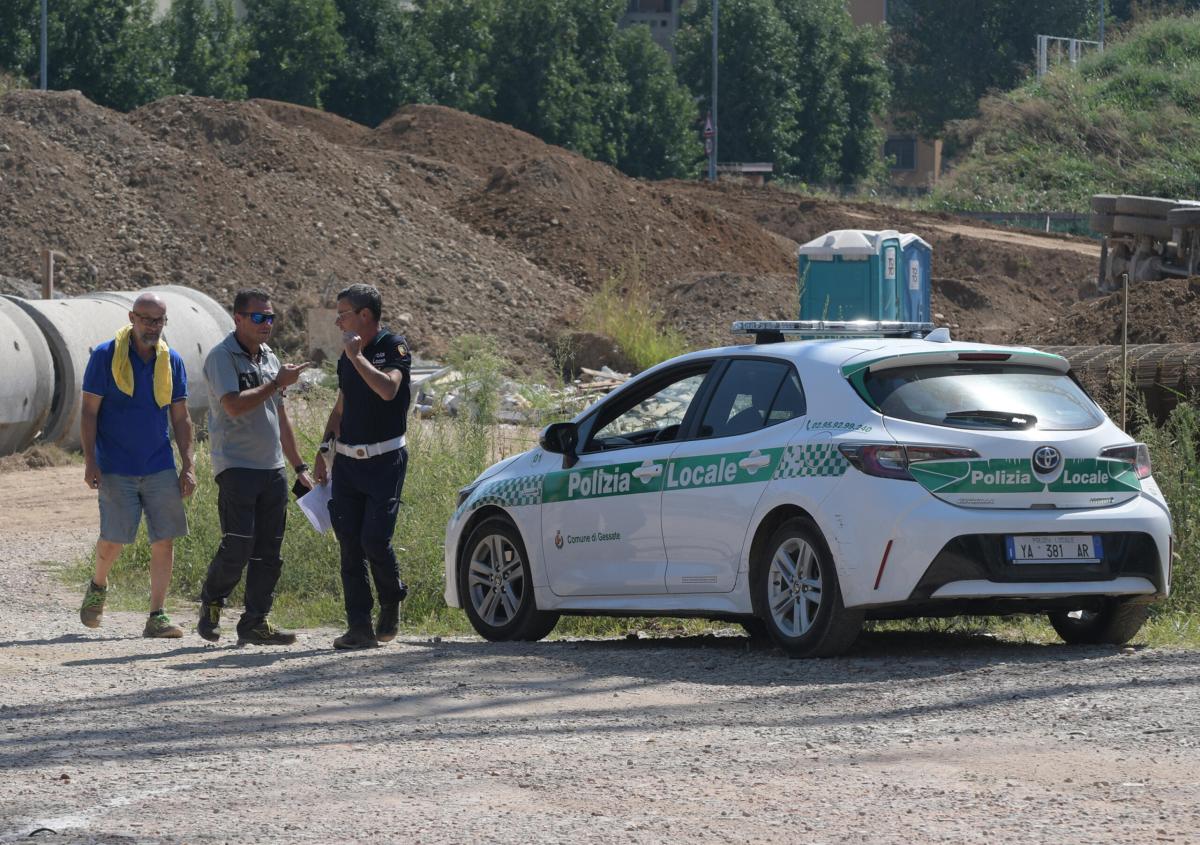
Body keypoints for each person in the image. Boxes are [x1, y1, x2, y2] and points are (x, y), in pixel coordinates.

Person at [196, 288, 313, 646]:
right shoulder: (222, 358)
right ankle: (213, 600)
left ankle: (255, 621)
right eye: (259, 317)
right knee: (238, 545)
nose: (267, 324)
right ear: (239, 319)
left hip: (272, 468)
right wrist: (276, 382)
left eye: (271, 317)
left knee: (269, 551)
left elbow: (280, 417)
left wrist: (298, 467)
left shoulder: (270, 358)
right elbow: (232, 406)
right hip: (236, 465)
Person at [78, 292, 194, 638]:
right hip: (115, 464)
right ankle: (98, 584)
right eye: (146, 319)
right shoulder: (105, 356)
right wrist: (90, 460)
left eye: (159, 320)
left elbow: (181, 416)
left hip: (158, 463)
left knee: (164, 538)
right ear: (131, 317)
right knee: (114, 539)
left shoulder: (170, 360)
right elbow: (88, 411)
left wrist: (187, 464)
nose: (152, 326)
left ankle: (157, 614)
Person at [313, 284, 412, 650]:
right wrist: (324, 454)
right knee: (349, 545)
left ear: (365, 315)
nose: (338, 320)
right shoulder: (346, 355)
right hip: (348, 463)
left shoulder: (392, 347)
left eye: (344, 312)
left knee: (375, 539)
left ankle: (391, 597)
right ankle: (359, 626)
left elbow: (388, 390)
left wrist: (357, 357)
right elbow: (341, 408)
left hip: (385, 461)